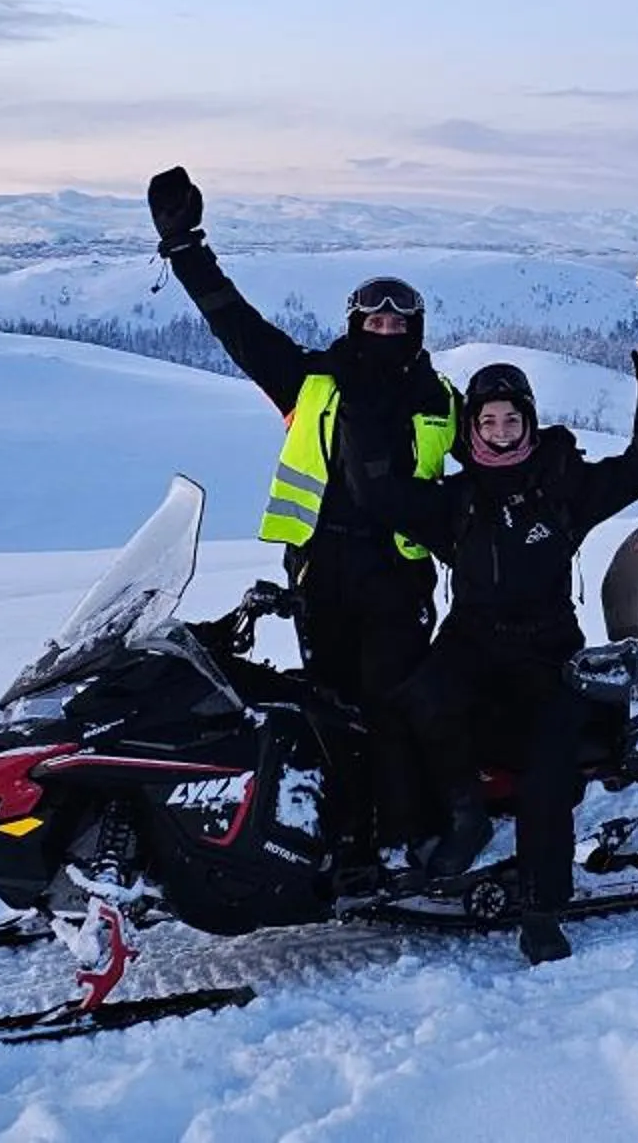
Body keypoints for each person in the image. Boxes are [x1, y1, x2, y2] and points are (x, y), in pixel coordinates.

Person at [146, 166, 462, 889]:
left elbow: (492, 460)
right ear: (357, 325)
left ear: (413, 331)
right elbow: (237, 325)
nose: (385, 332)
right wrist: (186, 248)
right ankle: (342, 837)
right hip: (321, 578)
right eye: (374, 322)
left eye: (397, 324)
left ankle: (400, 841)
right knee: (325, 711)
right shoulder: (310, 381)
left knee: (389, 709)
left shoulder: (441, 397)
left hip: (396, 580)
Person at [343, 331, 638, 964]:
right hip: (470, 642)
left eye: (510, 417)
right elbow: (379, 493)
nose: (499, 429)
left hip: (547, 654)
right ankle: (462, 815)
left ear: (528, 420)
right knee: (411, 702)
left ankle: (543, 909)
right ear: (474, 427)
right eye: (487, 419)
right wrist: (361, 409)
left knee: (546, 772)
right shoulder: (457, 498)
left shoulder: (563, 483)